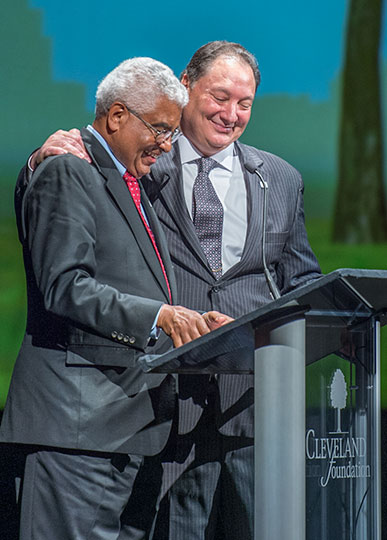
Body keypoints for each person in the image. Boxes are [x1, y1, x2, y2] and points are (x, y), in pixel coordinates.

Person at [16, 41, 322, 539]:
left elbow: (302, 277)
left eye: (244, 103)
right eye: (220, 97)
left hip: (250, 403)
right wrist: (36, 162)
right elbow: (68, 222)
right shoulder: (136, 161)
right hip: (157, 406)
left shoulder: (280, 179)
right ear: (186, 84)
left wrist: (332, 327)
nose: (231, 114)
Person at [0, 56, 231, 540]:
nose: (167, 145)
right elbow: (65, 285)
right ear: (118, 115)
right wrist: (159, 316)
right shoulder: (69, 169)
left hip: (127, 432)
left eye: (172, 134)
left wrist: (189, 320)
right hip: (76, 432)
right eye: (161, 130)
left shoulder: (132, 181)